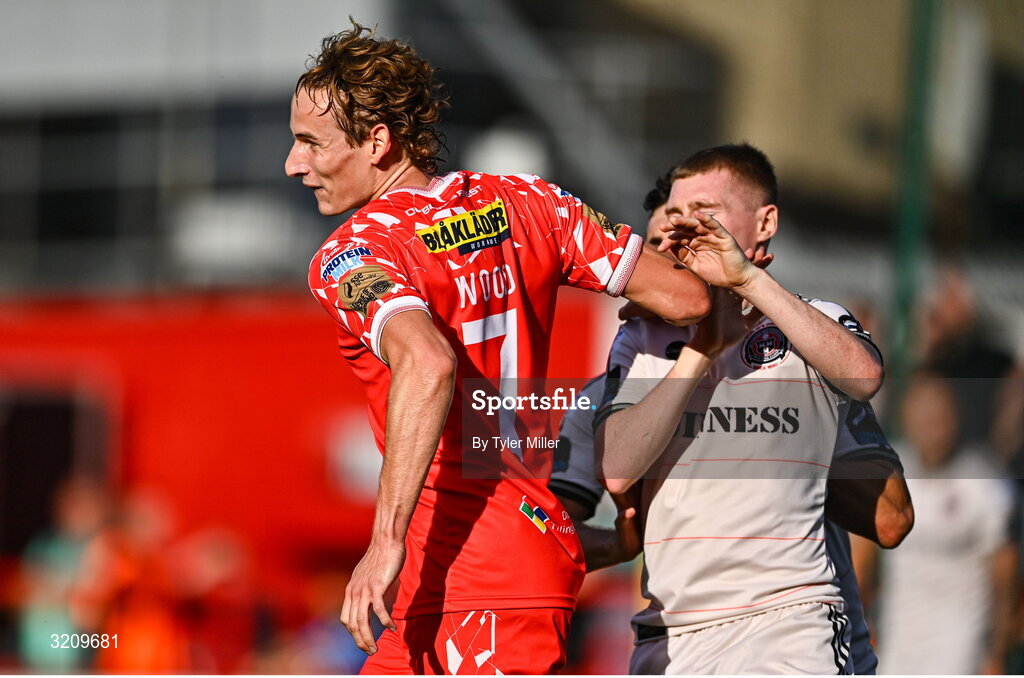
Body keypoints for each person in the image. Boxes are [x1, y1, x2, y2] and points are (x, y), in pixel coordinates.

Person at [284, 23, 711, 674]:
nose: (294, 164)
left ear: (377, 142)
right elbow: (688, 299)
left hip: (474, 576)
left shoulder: (354, 254)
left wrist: (383, 542)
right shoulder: (530, 201)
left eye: (311, 143)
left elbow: (427, 364)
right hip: (469, 569)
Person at [549, 165, 912, 673]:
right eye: (657, 246)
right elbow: (556, 527)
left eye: (699, 227)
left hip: (795, 625)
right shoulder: (624, 370)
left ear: (757, 229)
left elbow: (891, 516)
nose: (675, 254)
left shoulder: (804, 339)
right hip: (672, 635)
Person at [863, 371, 1018, 674]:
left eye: (939, 416)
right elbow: (861, 558)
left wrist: (997, 653)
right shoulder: (888, 472)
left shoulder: (985, 481)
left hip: (961, 641)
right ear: (907, 418)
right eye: (923, 417)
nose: (932, 427)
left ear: (955, 417)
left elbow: (1005, 576)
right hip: (899, 639)